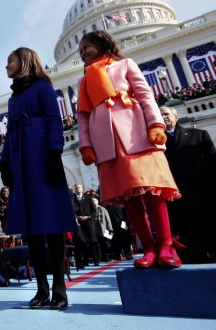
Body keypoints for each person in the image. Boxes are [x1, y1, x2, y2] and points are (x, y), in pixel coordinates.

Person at [76, 30, 182, 270]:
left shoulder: (125, 65)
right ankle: (149, 248)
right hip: (107, 144)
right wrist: (86, 145)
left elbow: (145, 95)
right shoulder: (83, 81)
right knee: (129, 199)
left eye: (87, 47)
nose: (83, 52)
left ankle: (166, 245)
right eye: (81, 50)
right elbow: (83, 116)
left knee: (152, 192)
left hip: (136, 135)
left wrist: (156, 124)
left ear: (102, 44)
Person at [0, 47, 78, 310]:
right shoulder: (13, 99)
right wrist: (4, 161)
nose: (6, 65)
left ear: (25, 61)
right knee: (31, 227)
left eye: (10, 60)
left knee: (52, 224)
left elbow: (55, 120)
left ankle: (59, 288)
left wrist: (55, 152)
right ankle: (41, 288)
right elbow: (10, 133)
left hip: (42, 159)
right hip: (21, 163)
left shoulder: (43, 88)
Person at [160, 106, 216, 263]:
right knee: (183, 229)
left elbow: (212, 164)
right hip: (175, 195)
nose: (163, 117)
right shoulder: (156, 144)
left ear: (176, 117)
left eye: (166, 114)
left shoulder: (198, 135)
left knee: (206, 225)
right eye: (160, 115)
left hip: (201, 192)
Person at [72, 183, 100, 267]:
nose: (78, 189)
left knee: (93, 241)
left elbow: (93, 211)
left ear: (82, 188)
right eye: (76, 188)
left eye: (79, 188)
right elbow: (71, 212)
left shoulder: (88, 198)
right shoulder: (72, 199)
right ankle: (85, 261)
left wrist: (88, 216)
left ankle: (96, 260)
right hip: (79, 223)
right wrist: (77, 217)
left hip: (89, 222)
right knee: (82, 242)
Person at [91, 197, 113, 262]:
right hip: (95, 229)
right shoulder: (91, 210)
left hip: (103, 229)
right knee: (97, 245)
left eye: (95, 201)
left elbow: (108, 219)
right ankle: (99, 258)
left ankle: (107, 257)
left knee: (106, 243)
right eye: (93, 201)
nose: (94, 202)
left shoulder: (103, 209)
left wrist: (110, 229)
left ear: (97, 202)